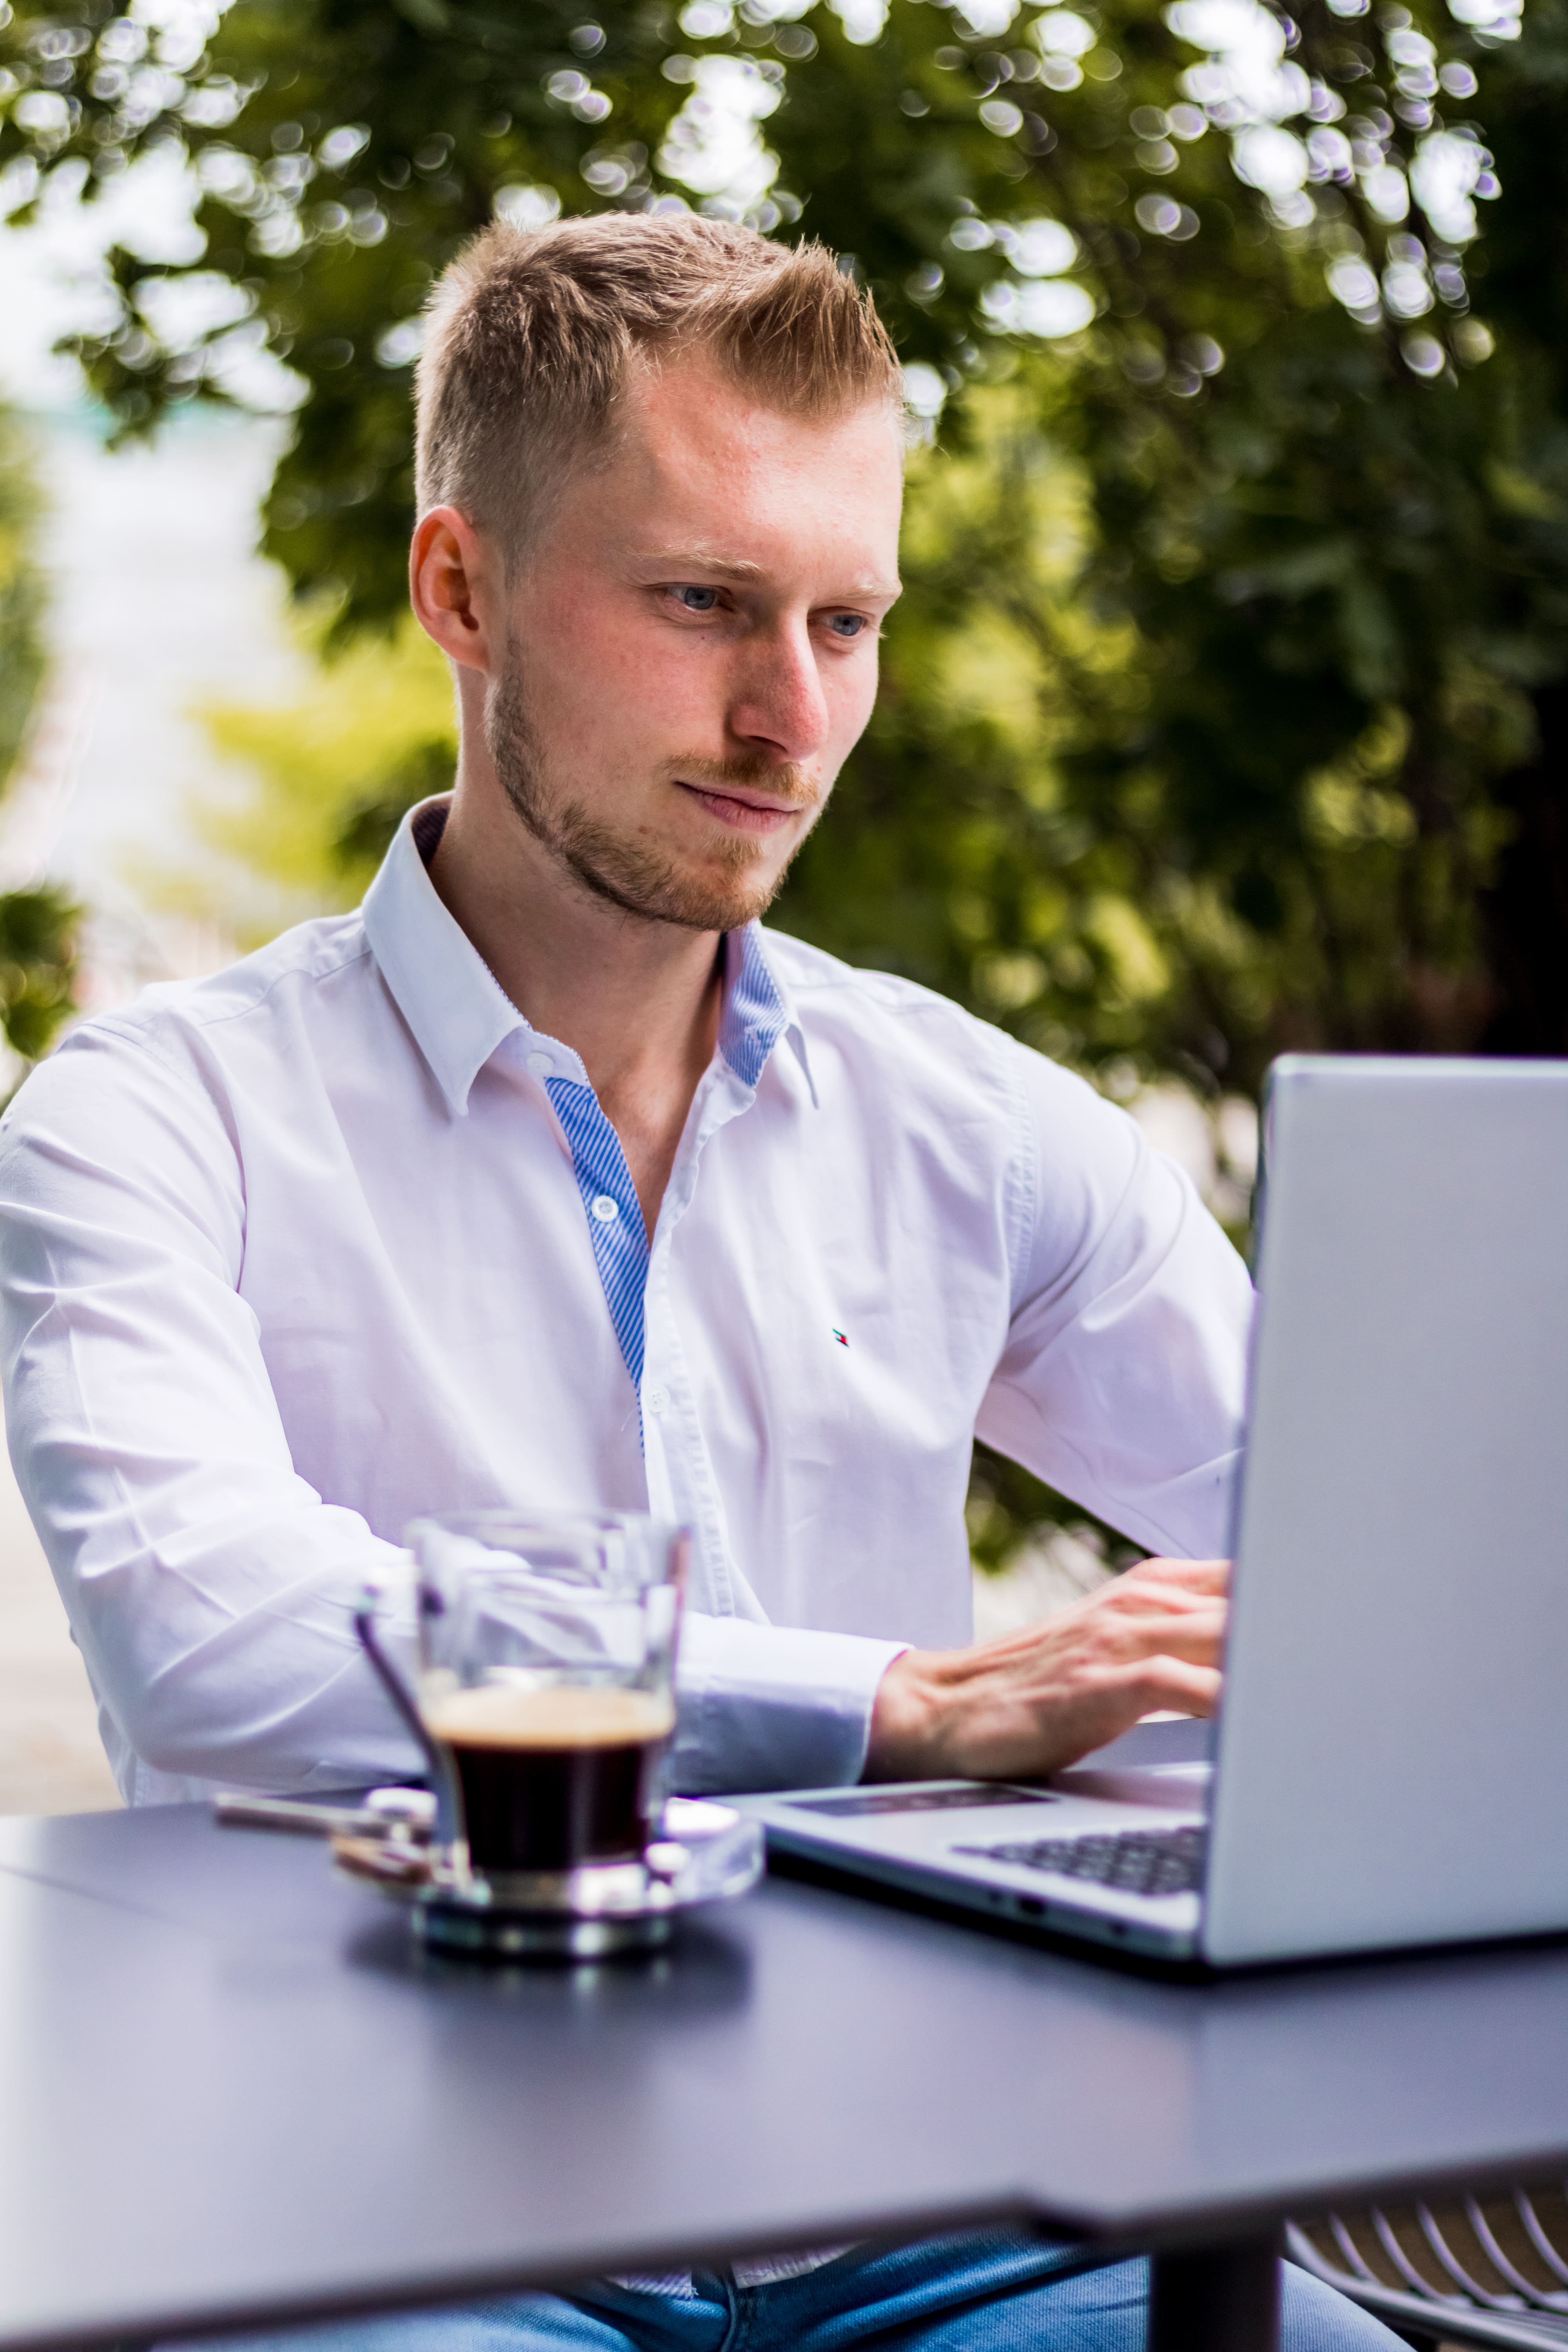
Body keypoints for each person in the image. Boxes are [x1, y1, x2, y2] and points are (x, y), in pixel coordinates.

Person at [0, 214, 1394, 2352]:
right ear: (460, 590)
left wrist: (1197, 1739)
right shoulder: (154, 1118)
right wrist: (909, 1709)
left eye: (851, 621)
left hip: (943, 2206)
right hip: (383, 2216)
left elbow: (1368, 1583)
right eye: (704, 605)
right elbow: (219, 1655)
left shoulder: (977, 1123)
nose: (793, 715)